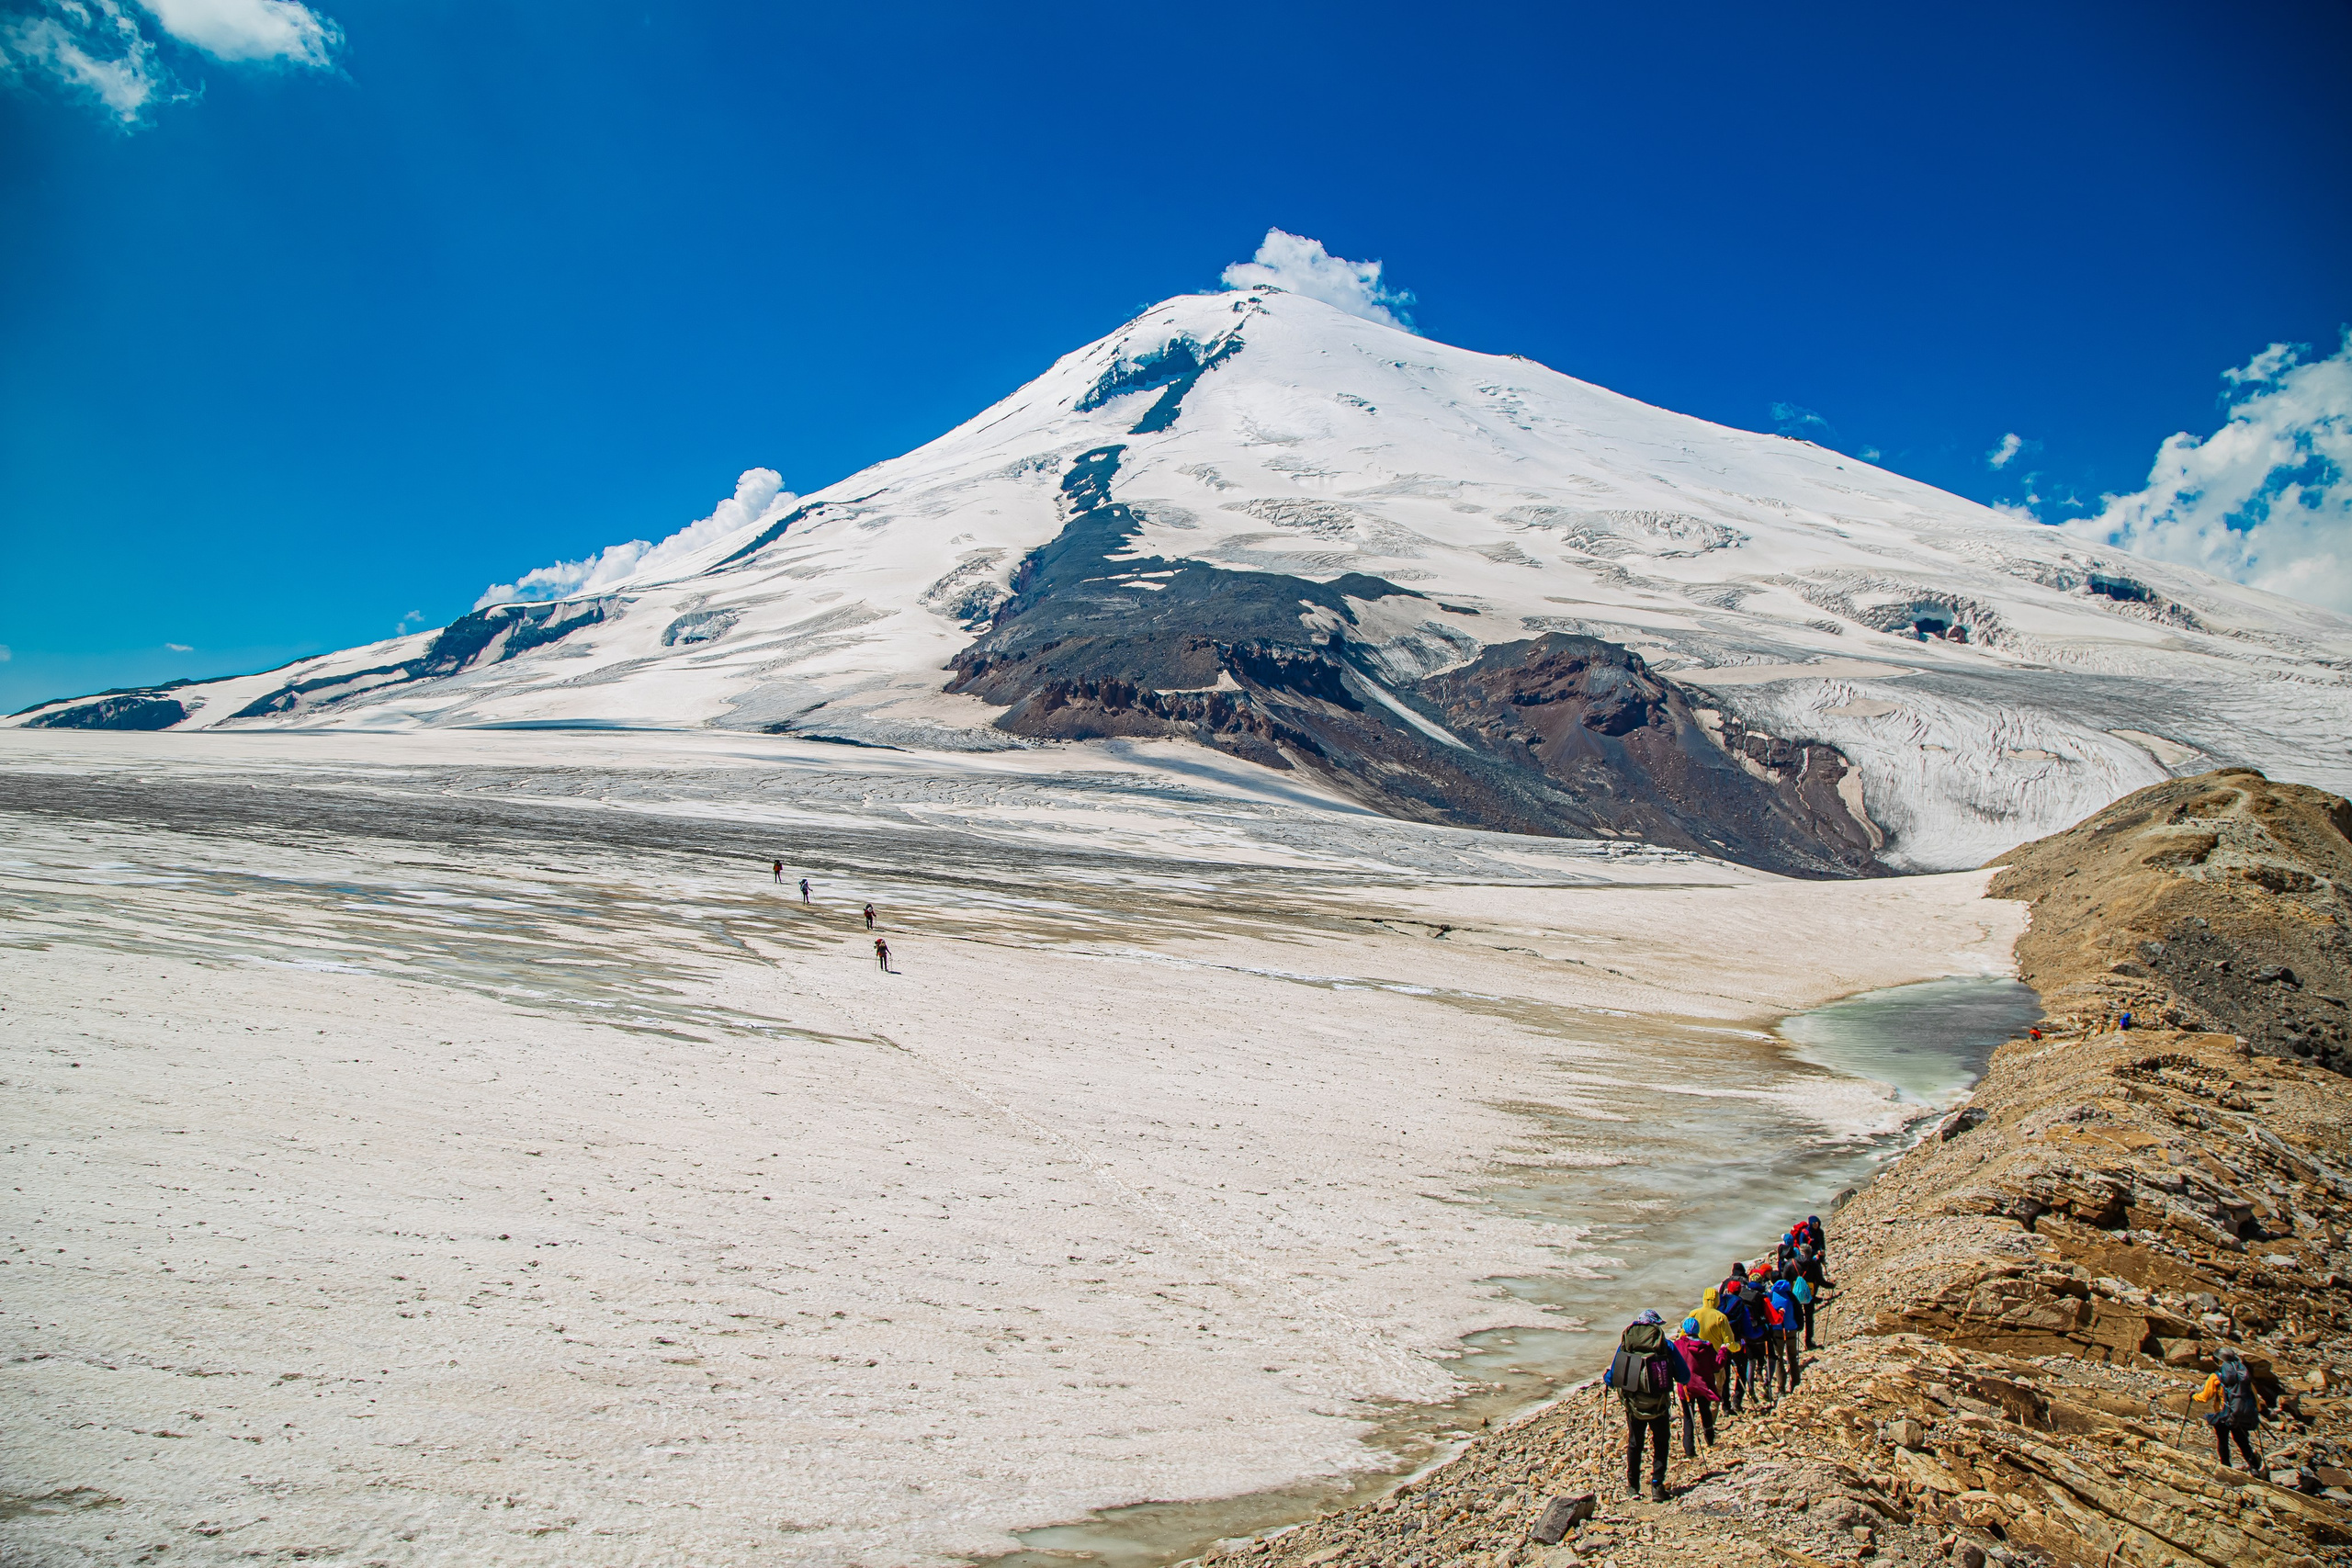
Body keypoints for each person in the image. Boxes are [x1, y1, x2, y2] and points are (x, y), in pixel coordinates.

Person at [1604, 1309, 1689, 1503]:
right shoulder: (1666, 1345)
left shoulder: (1626, 1345)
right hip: (1659, 1404)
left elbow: (1613, 1377)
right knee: (1661, 1442)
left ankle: (1633, 1485)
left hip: (1633, 1404)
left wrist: (1607, 1377)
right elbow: (1684, 1376)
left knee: (1635, 1443)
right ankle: (1657, 1486)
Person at [2200, 1348, 2264, 1470]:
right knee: (2242, 1441)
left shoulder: (2216, 1377)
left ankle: (2226, 1467)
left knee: (2222, 1440)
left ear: (2219, 1361)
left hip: (2223, 1414)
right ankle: (2254, 1468)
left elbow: (2204, 1397)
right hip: (2239, 1414)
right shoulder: (2243, 1378)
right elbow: (2255, 1399)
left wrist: (2193, 1396)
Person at [1672, 1317, 1724, 1457]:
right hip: (1703, 1385)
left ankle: (1689, 1449)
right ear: (1698, 1330)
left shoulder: (1678, 1345)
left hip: (1685, 1387)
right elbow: (1717, 1365)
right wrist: (1723, 1352)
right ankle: (1710, 1439)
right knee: (1705, 1411)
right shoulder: (1707, 1346)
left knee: (1688, 1417)